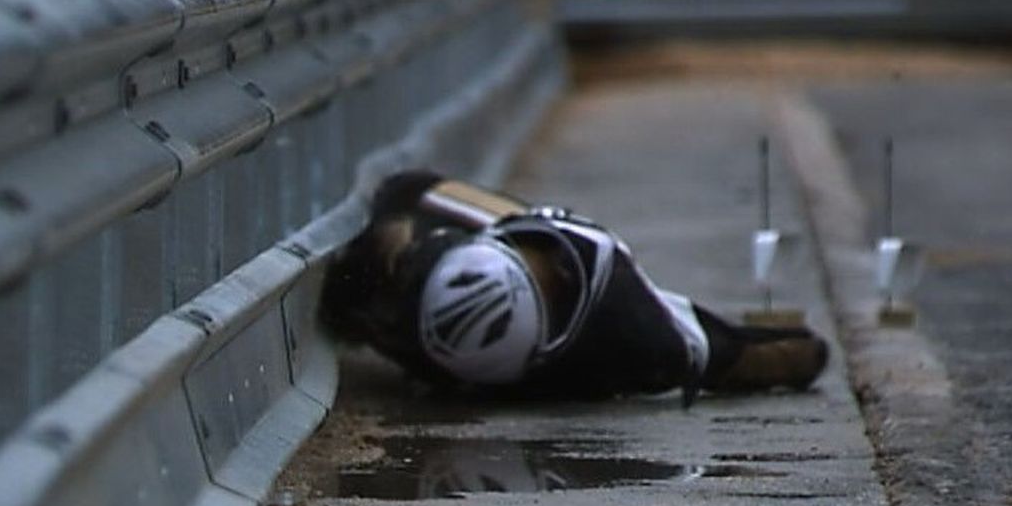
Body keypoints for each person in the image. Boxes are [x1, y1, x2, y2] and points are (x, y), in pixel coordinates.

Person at [321, 171, 828, 404]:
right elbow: (403, 188)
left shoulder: (641, 338)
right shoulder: (462, 246)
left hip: (613, 332)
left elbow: (739, 355)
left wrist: (788, 357)